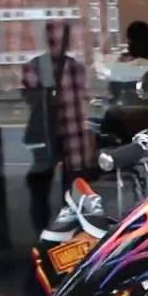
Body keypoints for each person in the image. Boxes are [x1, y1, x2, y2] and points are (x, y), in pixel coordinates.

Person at [22, 21, 92, 232]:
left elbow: (29, 98)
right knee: (72, 189)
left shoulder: (34, 66)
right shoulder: (77, 68)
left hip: (45, 133)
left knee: (40, 188)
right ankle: (69, 233)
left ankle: (42, 232)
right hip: (73, 135)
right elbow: (84, 102)